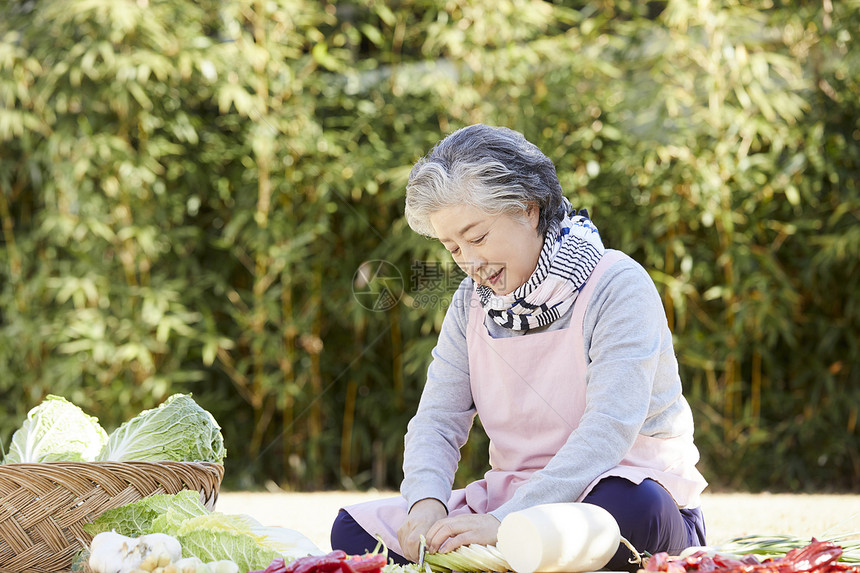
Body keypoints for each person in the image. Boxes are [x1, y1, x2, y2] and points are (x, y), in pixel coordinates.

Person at [330, 124, 708, 571]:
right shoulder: (470, 302)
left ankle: (510, 550)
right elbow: (437, 418)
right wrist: (425, 505)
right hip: (509, 502)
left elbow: (608, 429)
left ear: (528, 210)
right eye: (453, 249)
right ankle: (508, 555)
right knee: (354, 532)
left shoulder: (617, 285)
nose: (469, 263)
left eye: (477, 238)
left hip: (619, 488)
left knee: (629, 510)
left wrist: (509, 521)